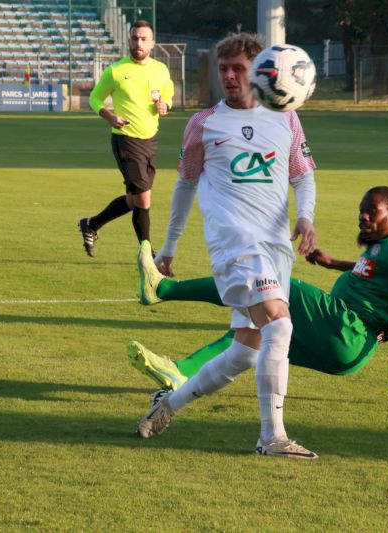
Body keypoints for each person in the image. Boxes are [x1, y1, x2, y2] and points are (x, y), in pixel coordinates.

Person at [135, 33, 319, 460]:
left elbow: (303, 174)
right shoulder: (204, 123)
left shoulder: (286, 117)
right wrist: (168, 247)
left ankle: (167, 406)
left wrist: (305, 216)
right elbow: (185, 185)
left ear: (260, 71)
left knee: (244, 352)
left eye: (238, 68)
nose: (230, 76)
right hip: (234, 245)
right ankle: (272, 437)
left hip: (276, 247)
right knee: (280, 326)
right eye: (224, 69)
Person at [130, 186, 388, 406]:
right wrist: (333, 263)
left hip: (348, 329)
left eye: (372, 211)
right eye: (361, 210)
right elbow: (372, 272)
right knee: (251, 332)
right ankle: (180, 372)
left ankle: (162, 289)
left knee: (270, 284)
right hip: (342, 348)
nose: (363, 216)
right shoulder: (383, 247)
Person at [78, 20, 174, 257]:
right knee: (144, 199)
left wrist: (165, 105)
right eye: (134, 38)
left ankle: (91, 224)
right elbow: (94, 98)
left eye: (143, 39)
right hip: (126, 139)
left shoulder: (161, 70)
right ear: (129, 41)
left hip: (150, 140)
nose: (138, 42)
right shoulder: (116, 71)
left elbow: (168, 94)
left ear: (152, 43)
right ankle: (148, 255)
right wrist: (110, 117)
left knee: (136, 200)